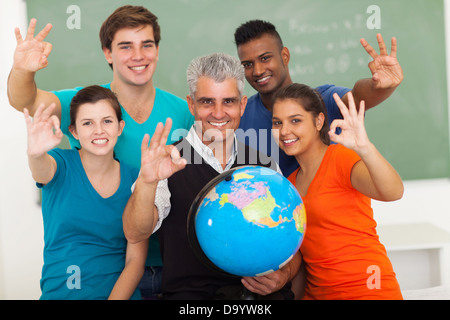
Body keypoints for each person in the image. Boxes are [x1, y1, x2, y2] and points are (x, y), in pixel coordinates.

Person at [7, 5, 194, 299]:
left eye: (147, 45)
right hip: (114, 269)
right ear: (108, 53)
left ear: (157, 50)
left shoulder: (183, 112)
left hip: (173, 265)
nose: (138, 55)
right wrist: (22, 70)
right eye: (125, 46)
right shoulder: (85, 104)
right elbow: (26, 101)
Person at [122, 53, 301, 299]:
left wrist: (285, 274)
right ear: (191, 104)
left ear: (243, 105)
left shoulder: (265, 164)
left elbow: (293, 236)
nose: (218, 113)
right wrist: (147, 181)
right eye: (207, 102)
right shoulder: (167, 161)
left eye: (228, 101)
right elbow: (135, 232)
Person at [271, 83, 404, 299]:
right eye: (278, 122)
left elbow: (393, 192)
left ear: (319, 121)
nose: (284, 131)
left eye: (295, 120)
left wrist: (365, 148)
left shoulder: (340, 159)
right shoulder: (289, 186)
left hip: (367, 288)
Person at [234, 20, 404, 177]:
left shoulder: (321, 100)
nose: (257, 71)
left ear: (284, 56)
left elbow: (357, 98)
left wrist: (379, 86)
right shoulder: (239, 116)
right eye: (247, 65)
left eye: (265, 58)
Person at [23, 85, 148, 299]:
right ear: (74, 131)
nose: (98, 130)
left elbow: (135, 261)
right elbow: (42, 171)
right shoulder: (60, 164)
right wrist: (35, 155)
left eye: (107, 121)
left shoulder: (137, 179)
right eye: (88, 123)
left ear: (120, 127)